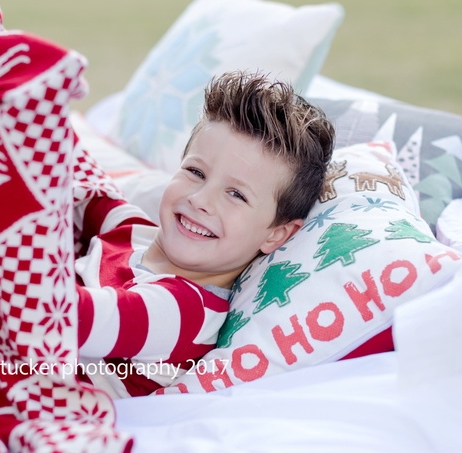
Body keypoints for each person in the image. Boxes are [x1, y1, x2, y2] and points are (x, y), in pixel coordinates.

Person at [75, 71, 335, 398]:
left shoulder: (187, 312)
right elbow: (78, 177)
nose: (200, 200)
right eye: (196, 172)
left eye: (236, 195)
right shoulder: (132, 232)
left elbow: (64, 317)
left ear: (276, 234)